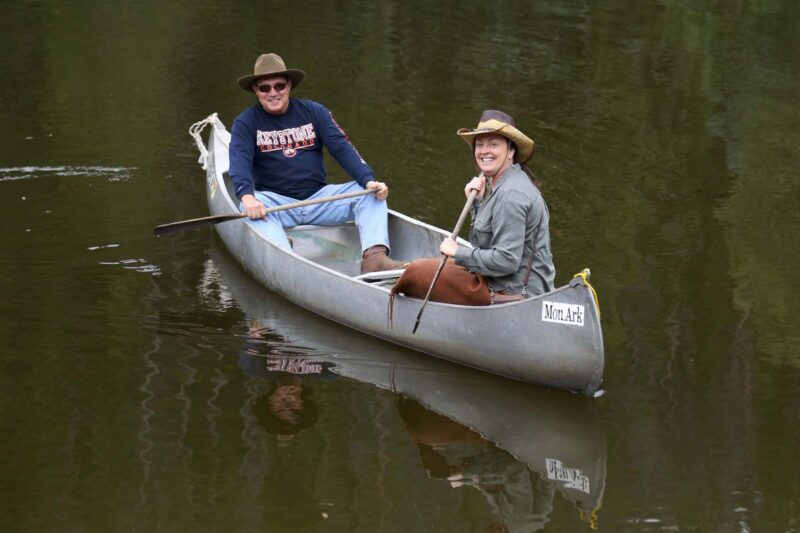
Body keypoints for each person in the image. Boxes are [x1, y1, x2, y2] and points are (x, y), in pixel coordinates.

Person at [229, 52, 404, 273]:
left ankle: (374, 259)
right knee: (248, 207)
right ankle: (285, 258)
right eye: (265, 88)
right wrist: (247, 197)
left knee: (370, 195)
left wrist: (368, 180)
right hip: (276, 203)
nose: (273, 93)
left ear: (289, 85)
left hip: (318, 199)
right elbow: (239, 163)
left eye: (279, 86)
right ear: (256, 91)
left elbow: (343, 149)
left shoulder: (314, 112)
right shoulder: (245, 122)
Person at [439, 109, 555, 301]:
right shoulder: (500, 185)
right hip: (504, 284)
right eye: (480, 144)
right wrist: (478, 203)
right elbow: (485, 245)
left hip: (516, 295)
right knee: (428, 269)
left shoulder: (511, 194)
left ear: (511, 151)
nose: (484, 151)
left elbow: (506, 261)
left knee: (423, 273)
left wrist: (457, 252)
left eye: (493, 144)